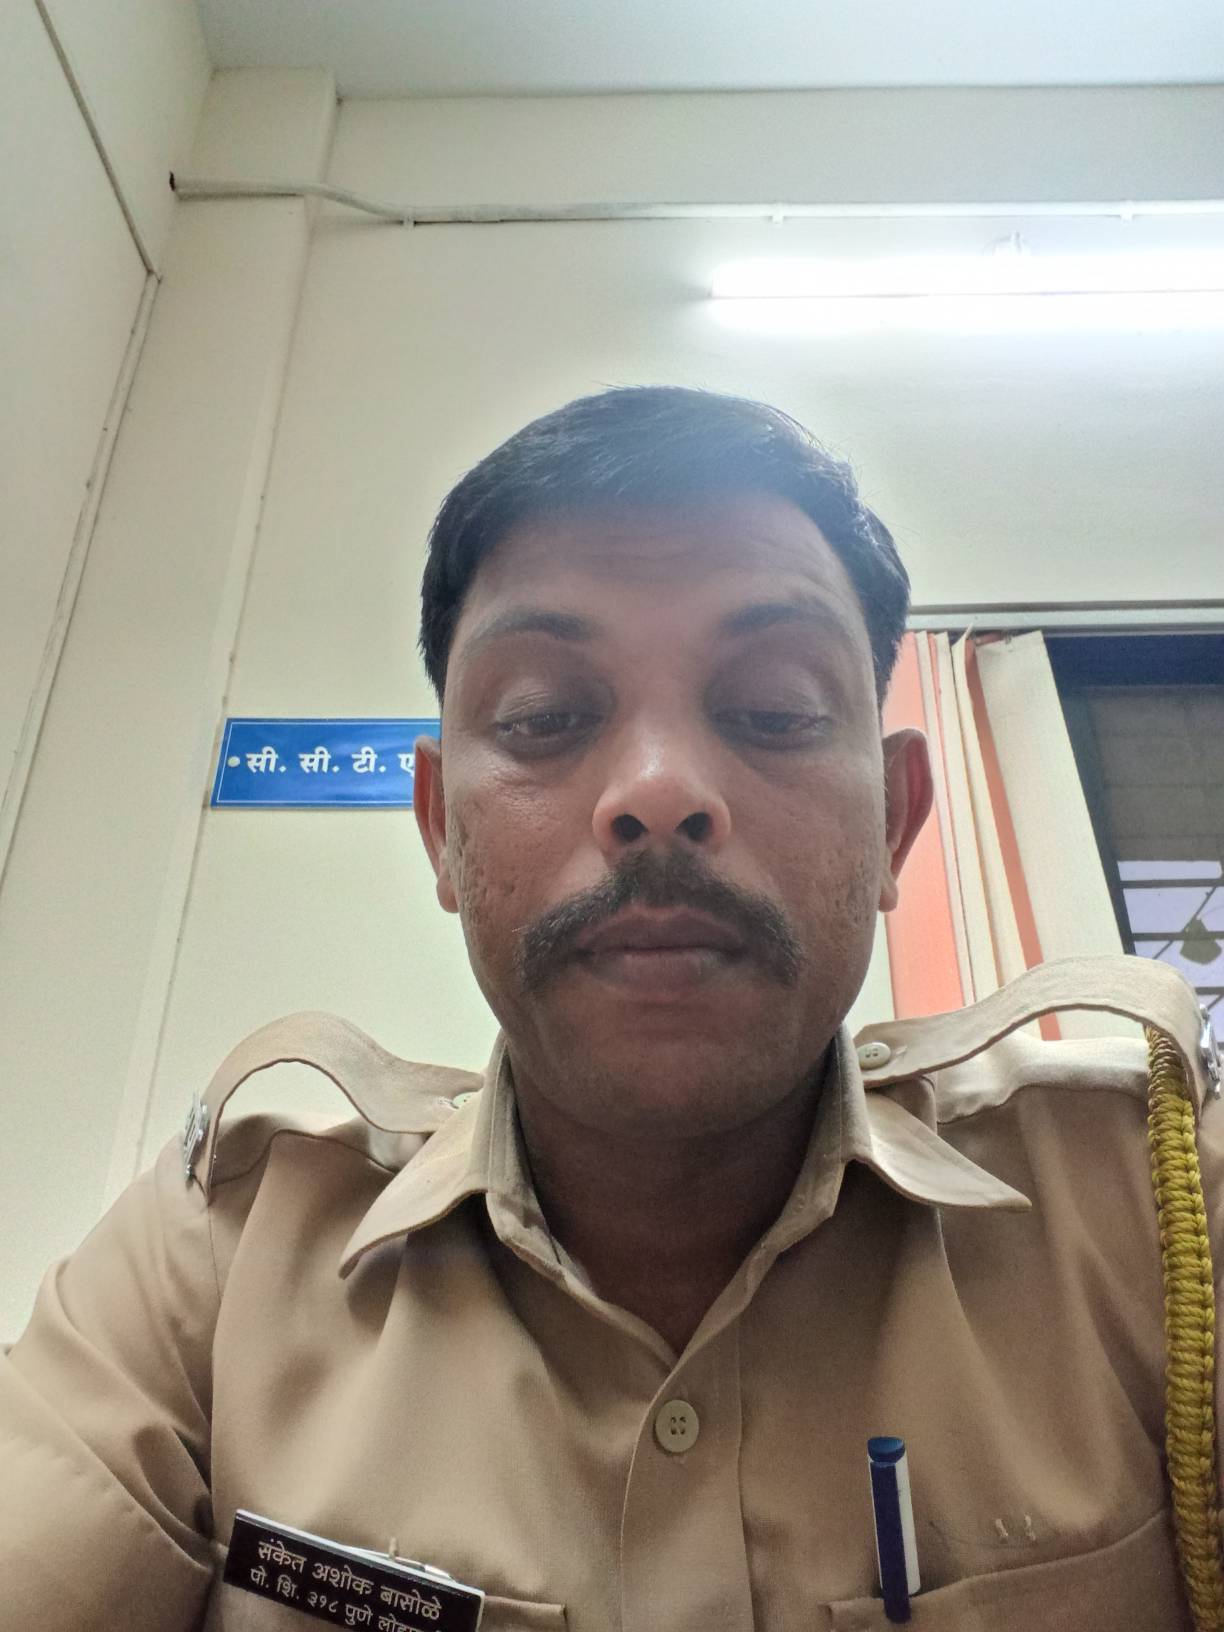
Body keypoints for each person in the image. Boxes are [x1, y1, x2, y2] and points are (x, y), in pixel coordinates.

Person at [0, 386, 1218, 1632]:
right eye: (545, 717)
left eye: (772, 712)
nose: (660, 789)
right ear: (440, 827)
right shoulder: (218, 1263)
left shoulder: (1156, 1209)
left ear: (897, 819)